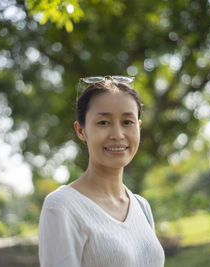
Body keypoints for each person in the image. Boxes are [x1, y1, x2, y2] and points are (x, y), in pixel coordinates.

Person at [38, 76, 165, 267]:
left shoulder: (141, 206)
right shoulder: (62, 206)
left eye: (127, 122)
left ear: (138, 127)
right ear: (81, 130)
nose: (117, 135)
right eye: (103, 122)